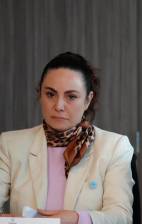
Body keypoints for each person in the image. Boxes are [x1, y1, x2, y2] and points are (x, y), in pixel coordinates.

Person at [0, 52, 134, 224]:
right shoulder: (11, 144)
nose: (59, 106)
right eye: (50, 94)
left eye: (71, 97)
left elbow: (121, 216)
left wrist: (76, 219)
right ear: (40, 94)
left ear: (88, 100)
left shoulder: (114, 146)